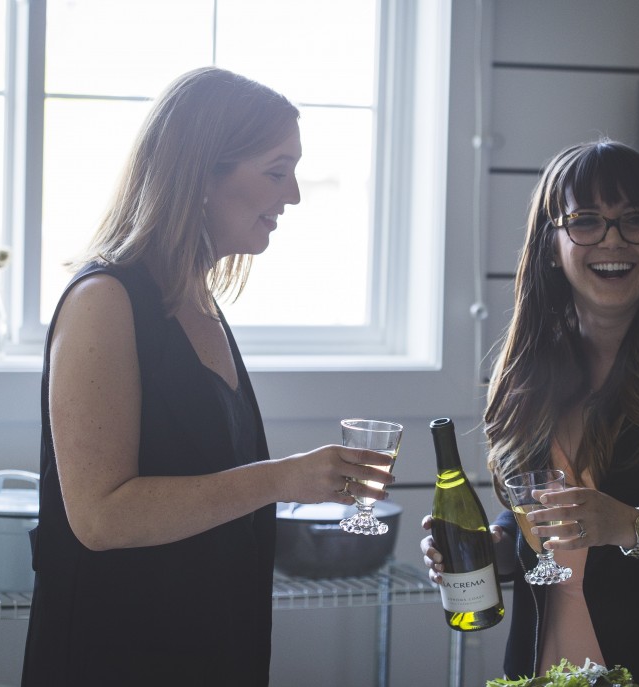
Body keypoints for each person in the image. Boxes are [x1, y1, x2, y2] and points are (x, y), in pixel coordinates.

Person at [21, 66, 394, 687]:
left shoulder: (202, 306)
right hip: (113, 659)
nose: (294, 194)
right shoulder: (104, 302)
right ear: (198, 174)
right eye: (276, 171)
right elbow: (99, 517)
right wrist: (285, 478)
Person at [421, 139, 639, 687]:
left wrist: (631, 526)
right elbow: (542, 504)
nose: (613, 240)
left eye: (635, 220)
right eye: (586, 221)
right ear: (550, 245)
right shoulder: (527, 371)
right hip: (550, 668)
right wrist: (495, 545)